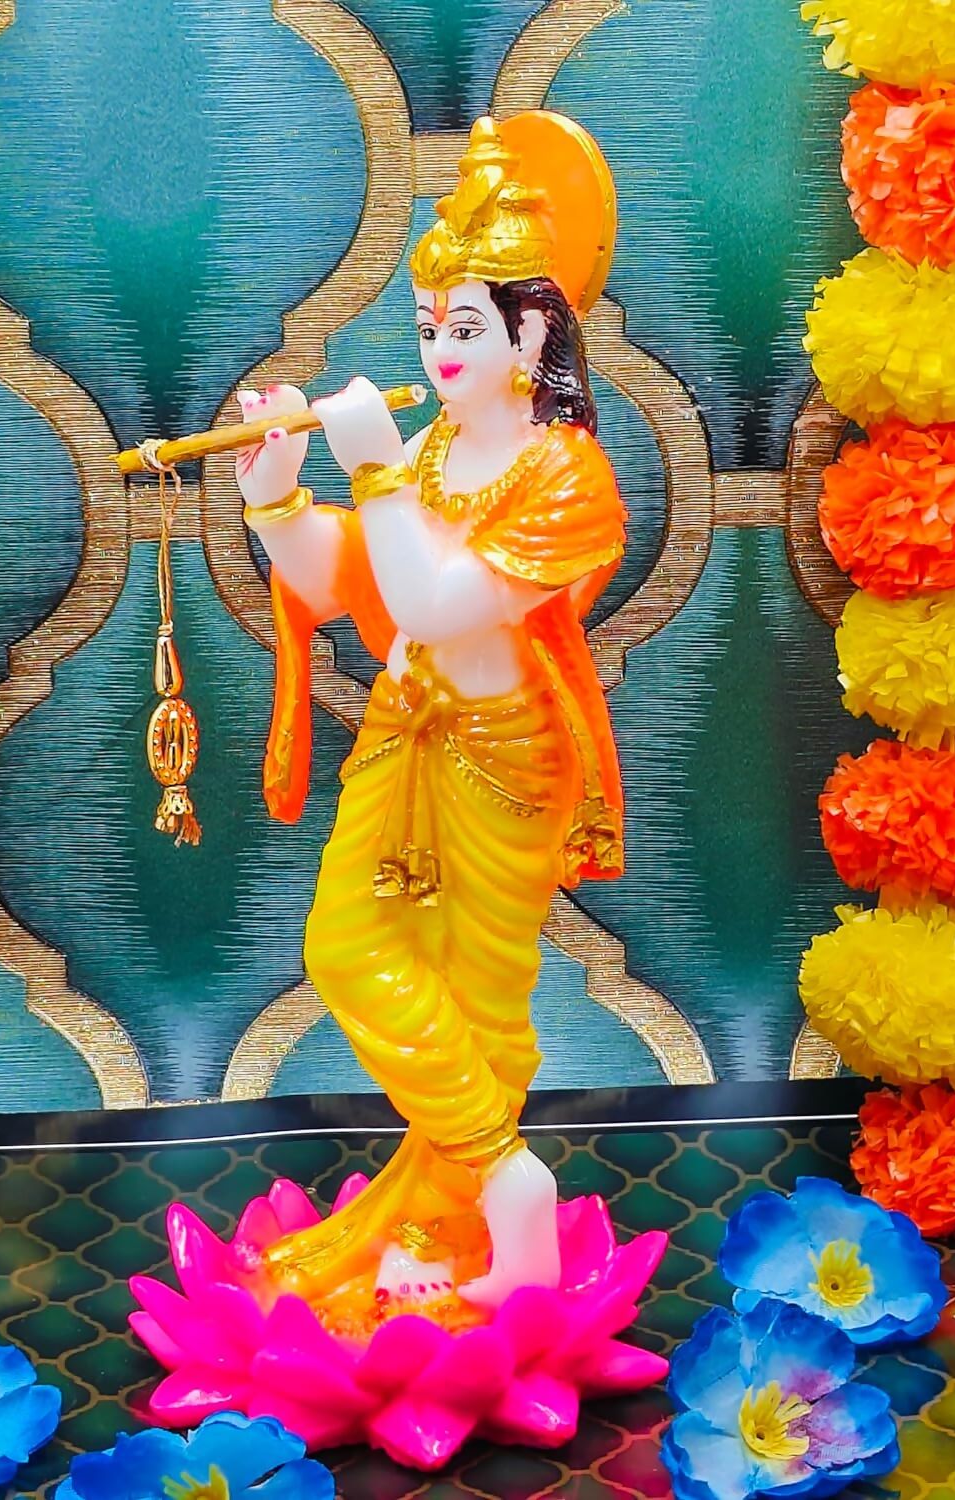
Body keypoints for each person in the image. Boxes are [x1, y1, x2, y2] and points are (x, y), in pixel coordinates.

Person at [236, 114, 627, 1318]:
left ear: (533, 334)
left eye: (464, 328)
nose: (437, 352)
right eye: (425, 327)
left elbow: (439, 604)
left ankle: (468, 1222)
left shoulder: (567, 475)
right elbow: (344, 584)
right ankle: (501, 1179)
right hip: (401, 738)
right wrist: (277, 498)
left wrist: (370, 471)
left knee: (478, 996)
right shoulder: (435, 446)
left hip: (504, 759)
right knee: (347, 949)